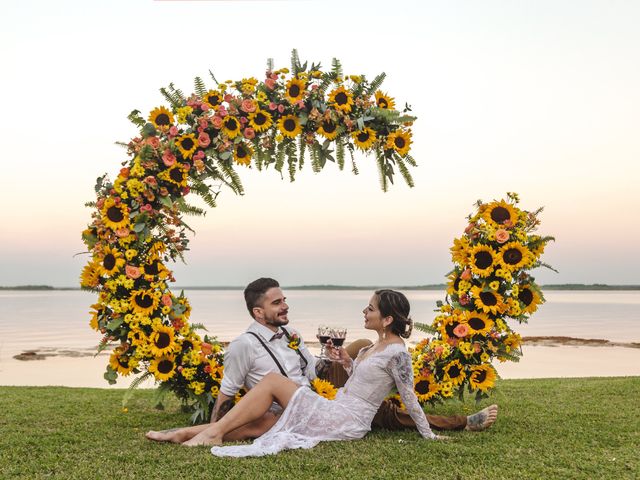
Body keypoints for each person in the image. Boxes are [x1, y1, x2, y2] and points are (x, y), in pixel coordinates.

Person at [146, 279, 497, 445]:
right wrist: (347, 361)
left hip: (343, 415)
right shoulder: (244, 345)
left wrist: (429, 436)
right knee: (257, 428)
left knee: (271, 382)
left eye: (370, 308)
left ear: (387, 319)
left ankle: (212, 436)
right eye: (277, 302)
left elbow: (408, 396)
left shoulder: (395, 352)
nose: (364, 311)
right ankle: (187, 434)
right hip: (331, 405)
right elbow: (363, 378)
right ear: (258, 311)